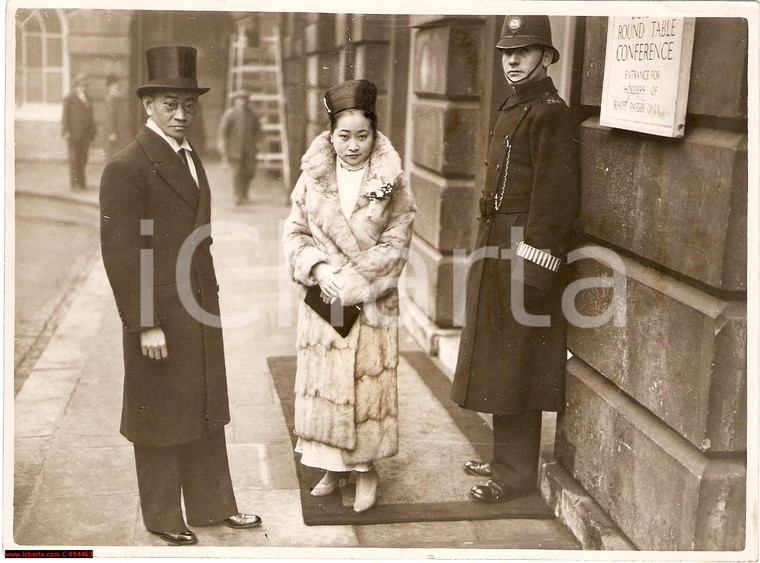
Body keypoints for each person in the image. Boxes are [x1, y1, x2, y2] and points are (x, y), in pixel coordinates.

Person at [99, 45, 262, 546]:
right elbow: (121, 253)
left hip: (197, 306)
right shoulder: (128, 165)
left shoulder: (190, 158)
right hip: (160, 312)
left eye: (189, 105)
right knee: (160, 413)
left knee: (204, 407)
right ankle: (164, 516)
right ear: (147, 104)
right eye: (170, 103)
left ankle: (213, 505)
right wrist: (144, 321)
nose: (180, 114)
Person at [450, 15, 581, 503]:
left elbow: (556, 199)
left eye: (523, 52)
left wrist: (534, 267)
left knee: (518, 361)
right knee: (497, 359)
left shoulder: (552, 113)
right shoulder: (515, 104)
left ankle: (515, 475)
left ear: (547, 56)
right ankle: (504, 454)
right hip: (496, 241)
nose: (512, 60)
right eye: (507, 52)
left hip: (525, 250)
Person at [282, 79, 416, 513]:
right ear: (330, 134)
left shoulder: (391, 181)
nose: (353, 146)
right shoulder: (312, 179)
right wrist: (318, 269)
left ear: (375, 134)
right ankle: (332, 466)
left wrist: (356, 281)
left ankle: (365, 471)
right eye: (344, 136)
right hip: (325, 296)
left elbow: (397, 243)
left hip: (370, 301)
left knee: (363, 390)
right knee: (326, 386)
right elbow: (295, 233)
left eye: (363, 135)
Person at [218, 90, 261, 205]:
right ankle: (238, 196)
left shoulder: (252, 115)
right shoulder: (230, 114)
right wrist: (223, 145)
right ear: (235, 101)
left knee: (250, 172)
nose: (242, 101)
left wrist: (259, 143)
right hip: (235, 149)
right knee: (237, 172)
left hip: (249, 149)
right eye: (240, 99)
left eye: (245, 99)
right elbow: (223, 132)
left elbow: (258, 131)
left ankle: (245, 193)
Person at [61, 74, 96, 190]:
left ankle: (82, 182)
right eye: (81, 85)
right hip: (74, 134)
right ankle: (74, 183)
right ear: (76, 86)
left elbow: (90, 117)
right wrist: (66, 131)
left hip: (85, 135)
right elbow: (65, 116)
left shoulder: (88, 98)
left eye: (85, 86)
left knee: (83, 158)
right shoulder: (69, 98)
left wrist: (92, 131)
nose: (83, 88)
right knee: (74, 159)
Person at [103, 74, 131, 161]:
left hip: (122, 131)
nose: (117, 85)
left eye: (117, 83)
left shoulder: (118, 97)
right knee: (115, 156)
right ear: (110, 86)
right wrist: (111, 132)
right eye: (115, 84)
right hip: (116, 132)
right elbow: (109, 117)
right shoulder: (111, 98)